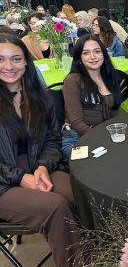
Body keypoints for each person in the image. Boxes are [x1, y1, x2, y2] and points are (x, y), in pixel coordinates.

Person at [0, 33, 80, 267]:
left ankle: (97, 256)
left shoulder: (42, 98)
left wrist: (44, 166)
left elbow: (53, 140)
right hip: (4, 183)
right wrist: (21, 178)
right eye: (1, 59)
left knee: (81, 194)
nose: (8, 66)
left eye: (15, 59)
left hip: (38, 166)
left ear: (26, 61)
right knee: (57, 207)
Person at [61, 35, 121, 158]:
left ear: (103, 54)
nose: (93, 57)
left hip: (103, 132)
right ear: (79, 57)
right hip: (76, 138)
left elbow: (115, 111)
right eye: (86, 53)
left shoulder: (109, 76)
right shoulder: (73, 80)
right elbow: (76, 122)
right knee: (101, 161)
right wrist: (101, 139)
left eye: (97, 51)